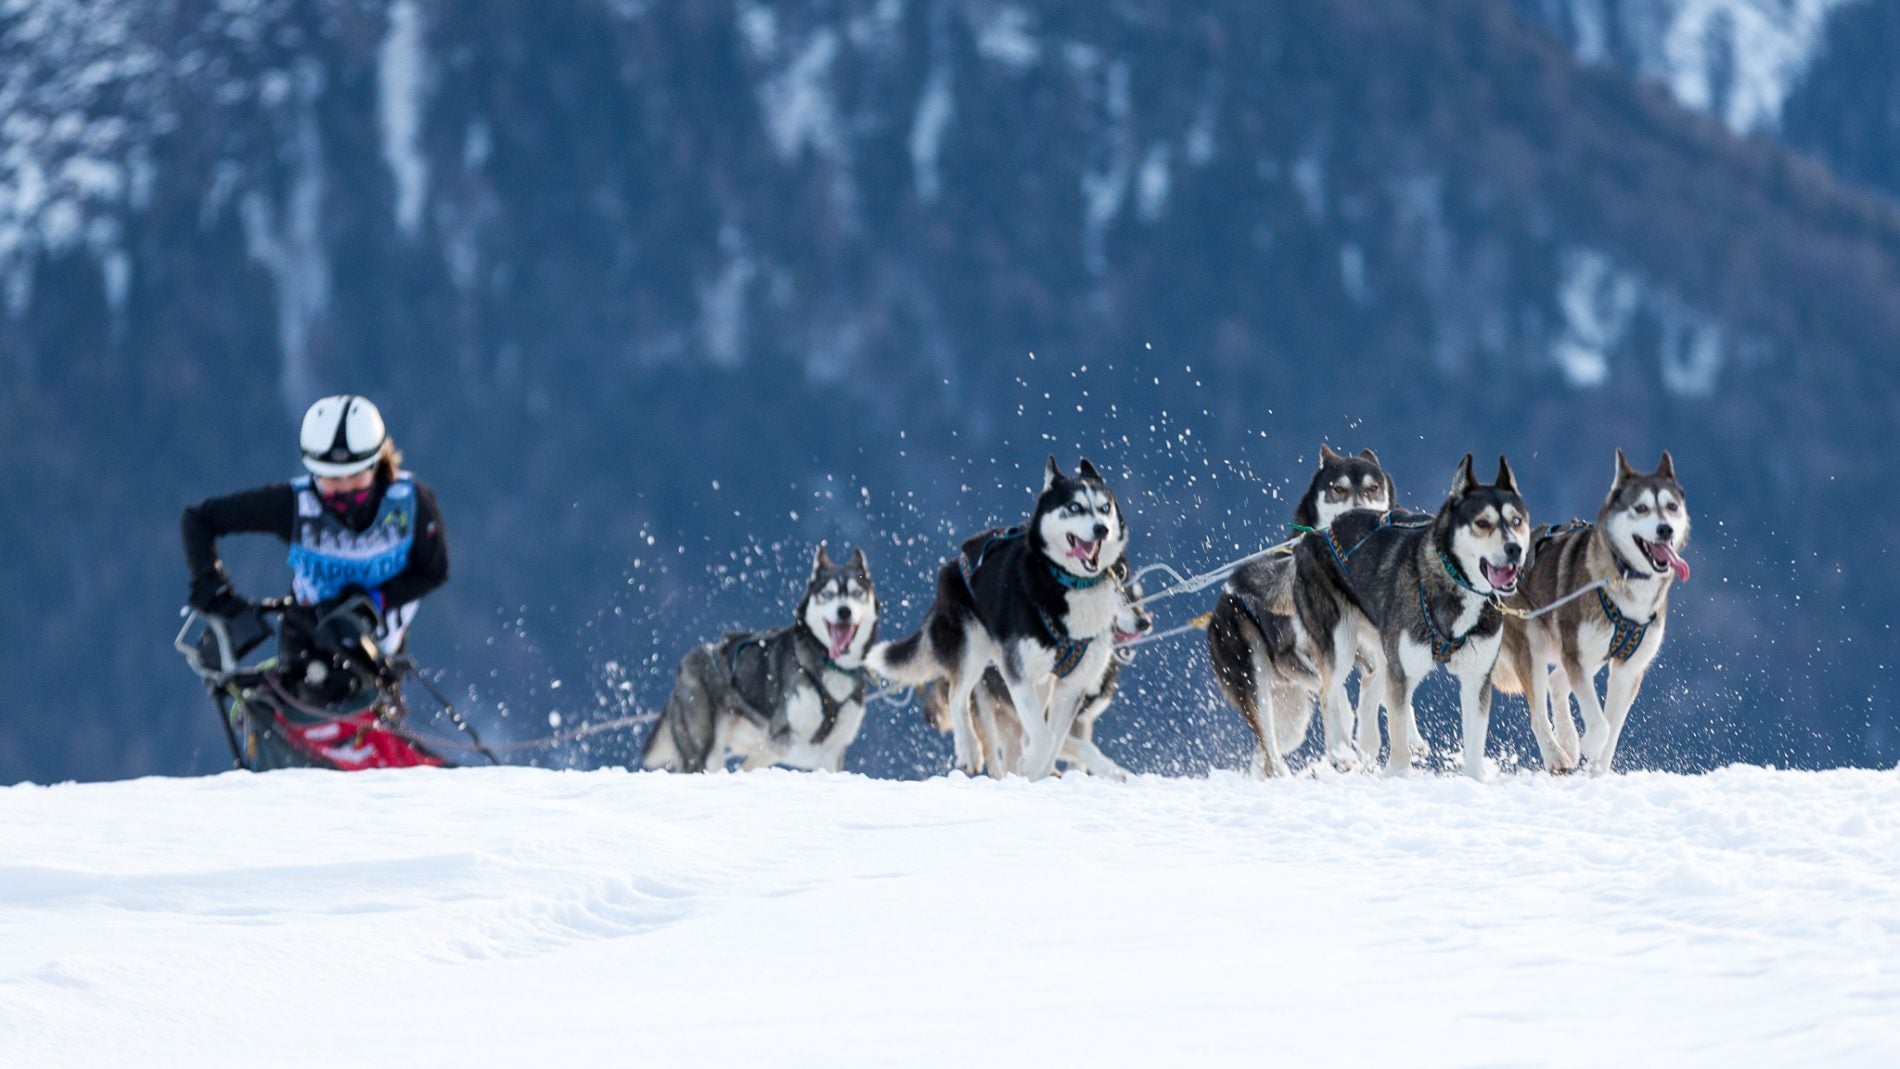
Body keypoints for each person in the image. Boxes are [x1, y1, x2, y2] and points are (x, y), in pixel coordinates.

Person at [182, 395, 449, 700]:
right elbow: (198, 519)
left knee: (373, 719)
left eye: (356, 475)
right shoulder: (294, 505)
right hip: (307, 649)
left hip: (379, 655)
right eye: (331, 478)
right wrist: (213, 589)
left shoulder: (411, 504)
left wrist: (374, 600)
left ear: (378, 463)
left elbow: (434, 571)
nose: (344, 487)